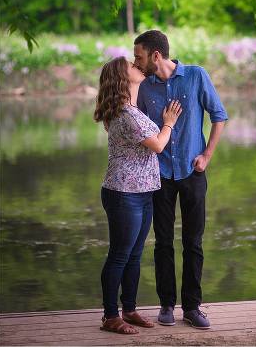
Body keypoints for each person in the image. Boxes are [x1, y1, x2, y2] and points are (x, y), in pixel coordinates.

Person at [133, 30, 227, 329]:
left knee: (193, 242)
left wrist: (207, 156)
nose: (136, 62)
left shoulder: (196, 76)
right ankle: (166, 305)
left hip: (192, 172)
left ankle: (192, 307)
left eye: (139, 56)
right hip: (158, 175)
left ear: (155, 55)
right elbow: (140, 129)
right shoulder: (144, 88)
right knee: (162, 242)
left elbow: (219, 116)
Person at [93, 56, 182, 334]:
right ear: (123, 77)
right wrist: (168, 122)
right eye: (131, 65)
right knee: (119, 255)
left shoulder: (131, 109)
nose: (137, 65)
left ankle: (128, 310)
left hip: (142, 192)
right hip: (123, 194)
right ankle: (110, 316)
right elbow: (156, 145)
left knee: (133, 255)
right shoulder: (126, 114)